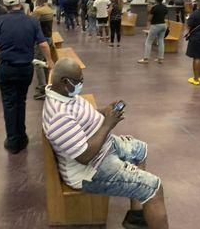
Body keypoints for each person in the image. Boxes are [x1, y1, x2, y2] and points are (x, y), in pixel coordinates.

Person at [43, 58, 169, 229]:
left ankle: (136, 217)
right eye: (79, 81)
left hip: (102, 147)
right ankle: (145, 198)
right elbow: (84, 157)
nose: (82, 83)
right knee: (154, 187)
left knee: (140, 150)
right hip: (89, 170)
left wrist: (103, 111)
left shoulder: (64, 93)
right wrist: (108, 124)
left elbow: (80, 116)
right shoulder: (58, 117)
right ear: (65, 81)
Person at [0, 0, 54, 154]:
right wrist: (49, 61)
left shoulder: (0, 21)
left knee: (9, 103)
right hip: (25, 68)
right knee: (21, 101)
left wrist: (2, 48)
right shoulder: (31, 20)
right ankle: (22, 137)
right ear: (20, 4)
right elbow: (44, 44)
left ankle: (13, 141)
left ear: (5, 6)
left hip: (7, 69)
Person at [32, 0, 54, 100]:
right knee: (45, 62)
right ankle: (46, 83)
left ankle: (42, 88)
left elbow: (31, 23)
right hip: (49, 38)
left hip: (41, 40)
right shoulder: (49, 9)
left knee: (37, 63)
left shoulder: (39, 11)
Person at [138, 0, 168, 64]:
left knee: (148, 42)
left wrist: (149, 12)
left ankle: (146, 59)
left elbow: (149, 19)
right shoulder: (165, 7)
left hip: (155, 25)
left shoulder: (154, 8)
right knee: (161, 41)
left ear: (156, 0)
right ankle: (160, 59)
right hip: (163, 25)